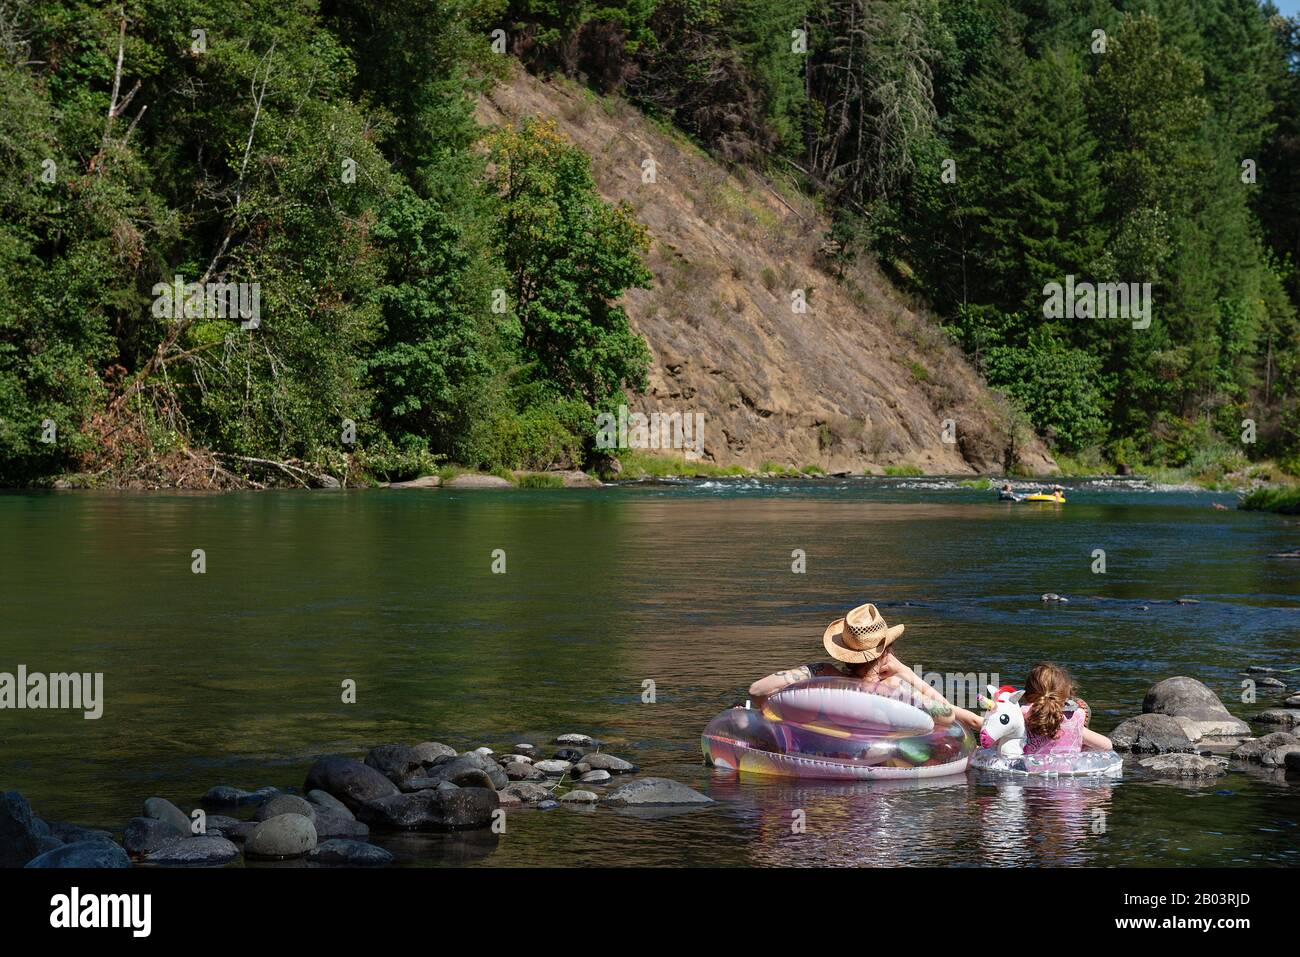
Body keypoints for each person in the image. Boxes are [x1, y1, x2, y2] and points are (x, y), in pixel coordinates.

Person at [747, 602, 983, 732]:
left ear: (845, 654)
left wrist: (812, 670)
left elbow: (757, 691)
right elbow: (948, 715)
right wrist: (906, 673)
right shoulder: (895, 687)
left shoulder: (826, 679)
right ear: (887, 651)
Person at [1020, 662, 1112, 754]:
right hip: (1068, 767)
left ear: (1025, 694)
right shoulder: (1072, 718)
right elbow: (1107, 746)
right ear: (1066, 694)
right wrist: (1082, 743)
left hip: (1030, 767)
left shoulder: (1020, 715)